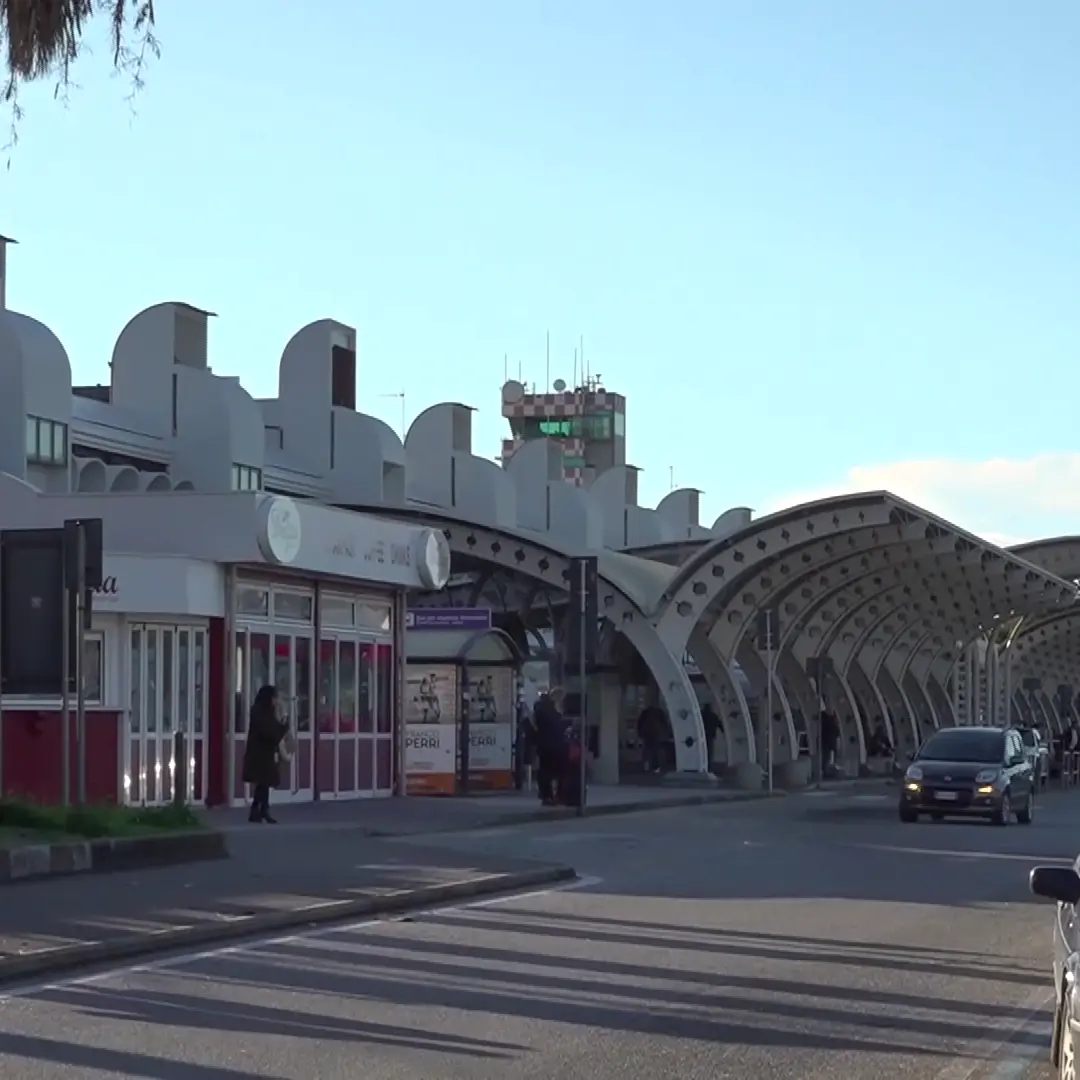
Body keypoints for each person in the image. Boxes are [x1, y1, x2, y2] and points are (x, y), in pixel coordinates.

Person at [243, 684, 289, 824]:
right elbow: (268, 731)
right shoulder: (258, 712)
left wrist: (283, 723)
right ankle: (261, 810)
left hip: (266, 752)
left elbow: (275, 729)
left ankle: (259, 810)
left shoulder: (268, 711)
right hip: (259, 752)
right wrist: (280, 730)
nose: (276, 701)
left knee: (264, 782)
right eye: (274, 698)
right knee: (263, 780)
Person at [533, 687, 566, 806]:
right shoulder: (547, 709)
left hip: (549, 744)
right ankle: (548, 795)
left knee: (548, 771)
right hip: (549, 744)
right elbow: (551, 725)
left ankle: (548, 795)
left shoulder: (544, 708)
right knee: (549, 771)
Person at [637, 703, 667, 774]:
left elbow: (640, 723)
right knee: (656, 750)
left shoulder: (645, 712)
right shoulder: (659, 712)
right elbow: (664, 723)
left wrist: (640, 732)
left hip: (647, 732)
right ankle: (656, 767)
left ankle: (646, 766)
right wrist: (664, 732)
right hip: (656, 732)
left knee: (647, 750)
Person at [701, 702, 721, 768]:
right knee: (710, 750)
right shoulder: (713, 716)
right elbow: (719, 724)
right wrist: (722, 730)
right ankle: (708, 763)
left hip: (703, 735)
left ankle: (703, 762)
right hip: (711, 735)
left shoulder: (702, 715)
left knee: (702, 749)